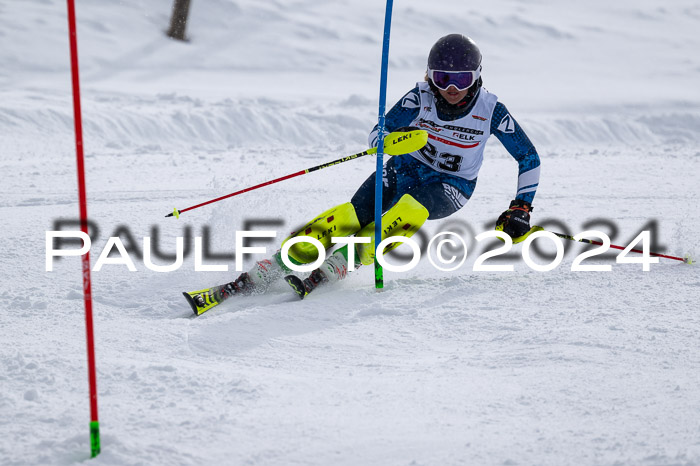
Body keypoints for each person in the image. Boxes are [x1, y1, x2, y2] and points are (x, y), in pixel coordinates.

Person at [183, 33, 541, 315]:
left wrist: (520, 208)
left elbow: (529, 158)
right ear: (429, 76)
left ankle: (344, 261)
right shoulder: (419, 98)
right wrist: (391, 141)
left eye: (461, 78)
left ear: (477, 76)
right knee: (350, 217)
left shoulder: (491, 111)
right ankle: (273, 266)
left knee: (410, 210)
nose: (451, 88)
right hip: (404, 168)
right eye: (442, 77)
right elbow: (377, 133)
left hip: (451, 185)